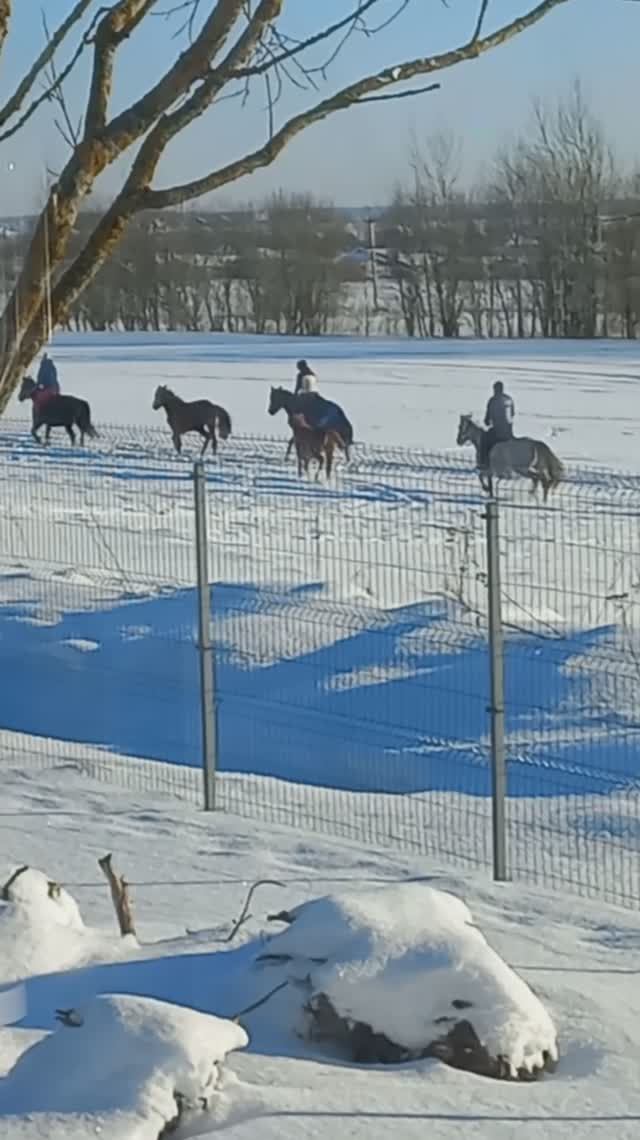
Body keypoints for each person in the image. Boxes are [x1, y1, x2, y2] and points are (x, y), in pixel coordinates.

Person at [480, 380, 514, 467]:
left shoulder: (493, 400)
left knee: (484, 440)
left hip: (498, 431)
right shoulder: (509, 399)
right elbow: (512, 414)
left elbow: (487, 418)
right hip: (509, 430)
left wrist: (487, 421)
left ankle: (484, 463)